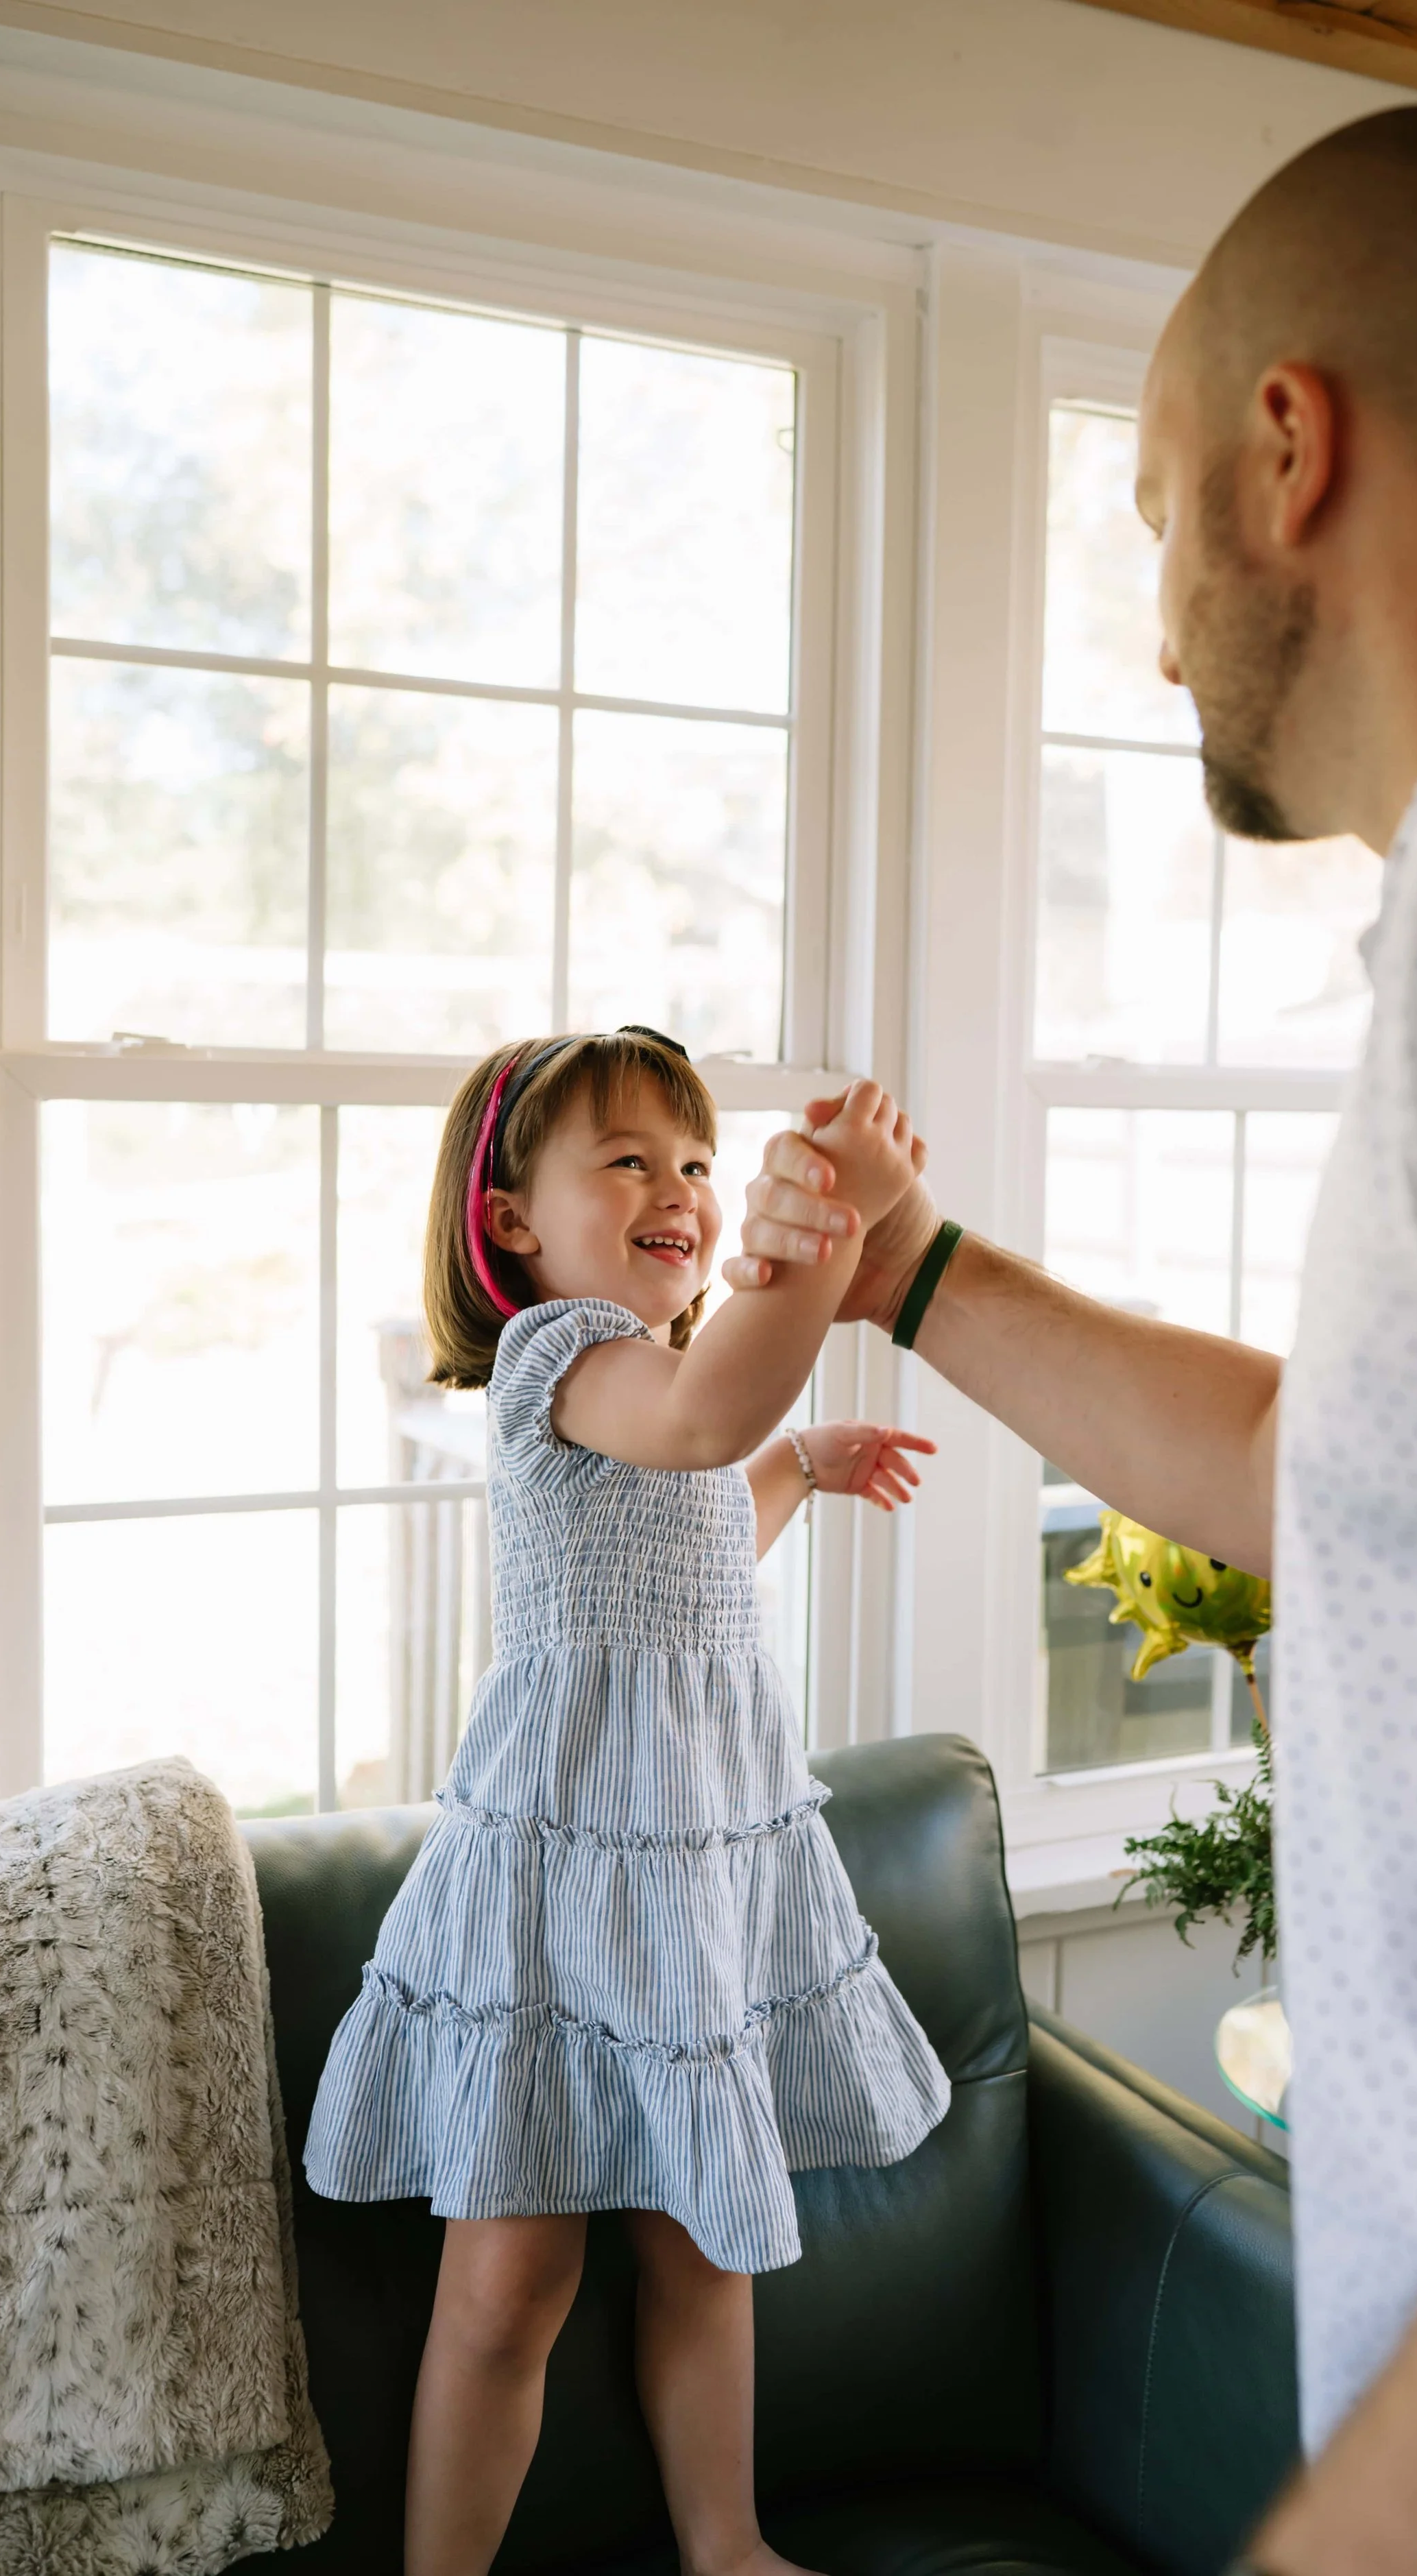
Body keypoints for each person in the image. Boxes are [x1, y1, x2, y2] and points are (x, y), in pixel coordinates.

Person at [726, 106, 1417, 2576]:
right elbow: (1337, 1483)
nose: (1159, 625)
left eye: (1158, 512)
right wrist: (919, 1276)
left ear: (1293, 446)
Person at [304, 1026, 949, 2576]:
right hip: (562, 1890)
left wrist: (799, 1466)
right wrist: (826, 1237)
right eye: (628, 1160)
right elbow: (699, 1422)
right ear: (512, 1223)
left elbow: (702, 1519)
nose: (681, 1189)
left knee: (702, 2239)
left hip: (696, 1887)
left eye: (700, 1164)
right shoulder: (560, 1363)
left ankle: (724, 2546)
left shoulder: (661, 1390)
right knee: (508, 2284)